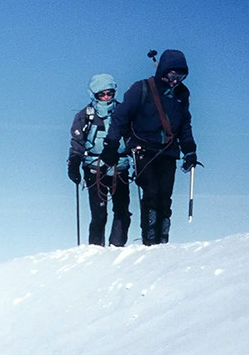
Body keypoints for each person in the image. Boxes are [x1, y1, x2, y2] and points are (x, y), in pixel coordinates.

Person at [100, 49, 199, 245]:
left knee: (165, 197)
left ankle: (162, 241)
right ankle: (150, 241)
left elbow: (185, 124)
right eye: (172, 75)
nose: (175, 80)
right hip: (142, 149)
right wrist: (111, 145)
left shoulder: (181, 94)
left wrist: (190, 150)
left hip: (168, 151)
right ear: (163, 70)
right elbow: (121, 117)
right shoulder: (141, 89)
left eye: (181, 76)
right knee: (152, 193)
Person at [67, 73, 132, 246]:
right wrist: (73, 162)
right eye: (101, 94)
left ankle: (116, 248)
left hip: (120, 168)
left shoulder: (123, 114)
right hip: (94, 169)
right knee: (99, 213)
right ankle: (95, 252)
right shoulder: (84, 116)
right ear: (93, 94)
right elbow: (77, 143)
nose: (106, 98)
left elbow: (132, 138)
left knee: (122, 211)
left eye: (109, 93)